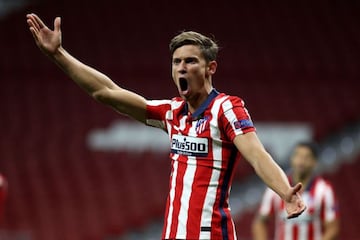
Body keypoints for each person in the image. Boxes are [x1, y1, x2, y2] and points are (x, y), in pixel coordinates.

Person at [26, 13, 306, 240]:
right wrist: (59, 55)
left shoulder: (226, 108)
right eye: (176, 62)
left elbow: (257, 155)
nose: (181, 68)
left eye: (190, 61)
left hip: (210, 234)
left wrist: (285, 192)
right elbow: (107, 92)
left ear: (211, 68)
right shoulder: (172, 113)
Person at [252, 142, 339, 240]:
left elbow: (332, 228)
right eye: (298, 156)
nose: (301, 161)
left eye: (306, 157)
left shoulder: (324, 190)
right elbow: (260, 222)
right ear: (292, 159)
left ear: (314, 162)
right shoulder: (275, 188)